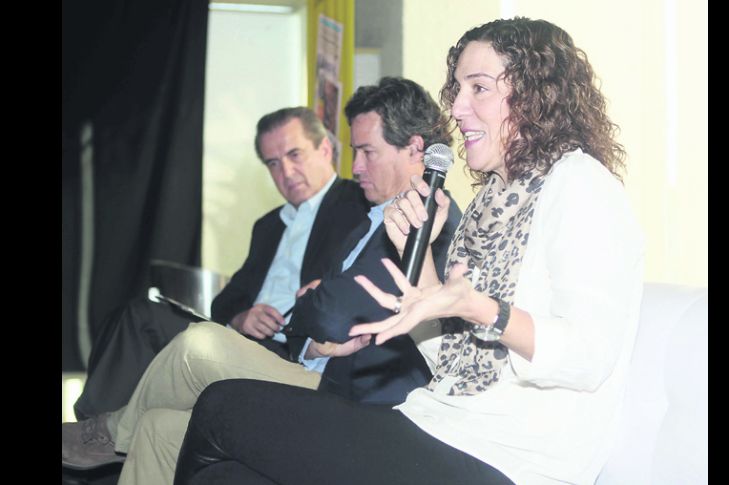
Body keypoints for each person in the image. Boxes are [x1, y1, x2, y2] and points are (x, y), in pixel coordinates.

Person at [173, 17, 645, 485]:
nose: (457, 108)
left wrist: (481, 308)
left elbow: (587, 356)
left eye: (478, 88)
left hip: (508, 460)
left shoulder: (581, 186)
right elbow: (454, 363)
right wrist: (420, 274)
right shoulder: (493, 200)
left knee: (221, 406)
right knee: (228, 476)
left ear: (538, 94)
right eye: (457, 89)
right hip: (441, 423)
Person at [64, 77, 462, 485]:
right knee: (156, 428)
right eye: (355, 152)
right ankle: (107, 434)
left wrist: (312, 312)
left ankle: (106, 435)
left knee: (197, 345)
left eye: (366, 152)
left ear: (415, 149)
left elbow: (329, 311)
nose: (356, 166)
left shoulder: (425, 223)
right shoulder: (371, 218)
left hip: (345, 394)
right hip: (309, 365)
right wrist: (311, 319)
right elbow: (316, 312)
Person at [74, 107, 370, 421]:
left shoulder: (357, 207)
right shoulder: (268, 226)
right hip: (240, 340)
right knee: (139, 317)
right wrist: (242, 318)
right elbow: (227, 300)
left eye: (294, 154)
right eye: (273, 163)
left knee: (194, 345)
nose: (285, 171)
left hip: (291, 350)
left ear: (325, 149)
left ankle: (98, 441)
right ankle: (92, 428)